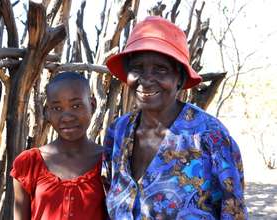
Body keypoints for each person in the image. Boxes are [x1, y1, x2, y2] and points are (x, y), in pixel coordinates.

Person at [103, 16, 247, 219]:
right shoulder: (118, 131)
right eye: (137, 68)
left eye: (160, 69)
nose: (146, 79)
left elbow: (234, 211)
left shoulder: (209, 137)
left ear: (179, 78)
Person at [11, 72, 107, 220]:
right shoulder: (29, 163)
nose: (67, 117)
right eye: (57, 108)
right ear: (47, 112)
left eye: (76, 105)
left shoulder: (108, 162)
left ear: (92, 105)